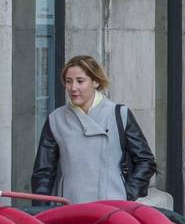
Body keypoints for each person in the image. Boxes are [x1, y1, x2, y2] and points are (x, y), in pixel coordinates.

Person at [31, 54, 156, 203]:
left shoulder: (119, 114)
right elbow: (43, 172)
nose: (73, 88)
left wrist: (126, 194)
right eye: (68, 81)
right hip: (70, 209)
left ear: (95, 81)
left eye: (80, 81)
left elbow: (146, 160)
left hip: (112, 209)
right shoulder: (56, 120)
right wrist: (42, 211)